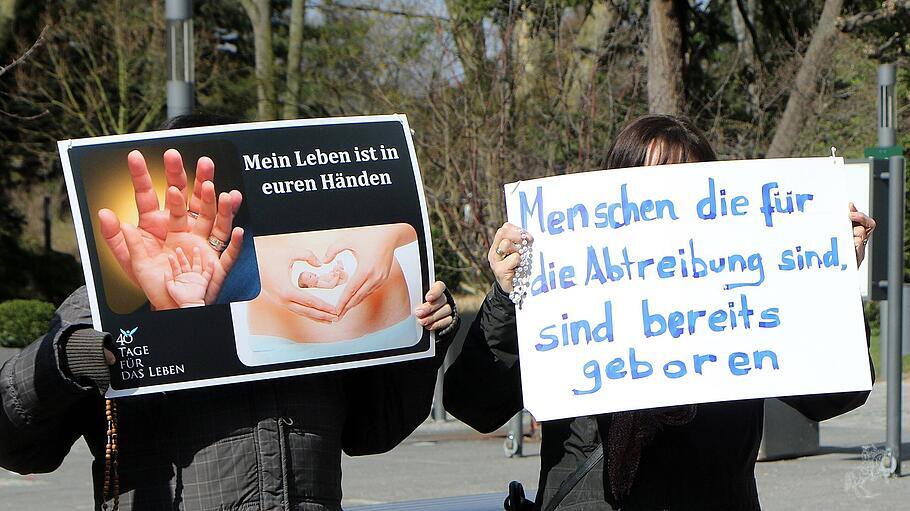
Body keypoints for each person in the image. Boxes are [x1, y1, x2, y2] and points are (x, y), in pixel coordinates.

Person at [0, 113, 460, 511]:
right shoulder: (100, 309)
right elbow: (18, 445)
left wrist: (420, 333)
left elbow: (373, 431)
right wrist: (67, 359)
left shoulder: (305, 298)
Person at [444, 114, 876, 511]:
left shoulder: (743, 295)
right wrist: (506, 296)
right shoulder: (563, 289)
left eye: (681, 192)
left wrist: (830, 279)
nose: (660, 213)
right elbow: (474, 405)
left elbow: (835, 396)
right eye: (644, 194)